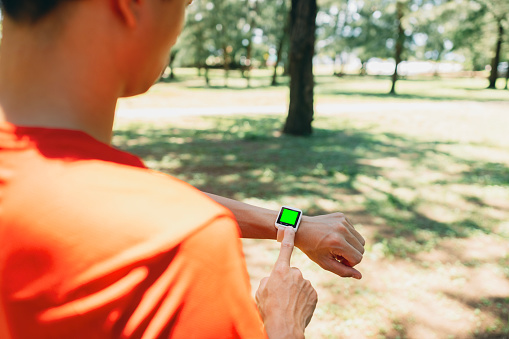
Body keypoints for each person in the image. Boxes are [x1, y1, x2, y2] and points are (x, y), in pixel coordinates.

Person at [0, 0, 365, 338]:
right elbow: (150, 211)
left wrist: (290, 225)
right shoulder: (176, 252)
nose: (183, 19)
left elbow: (125, 197)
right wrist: (284, 321)